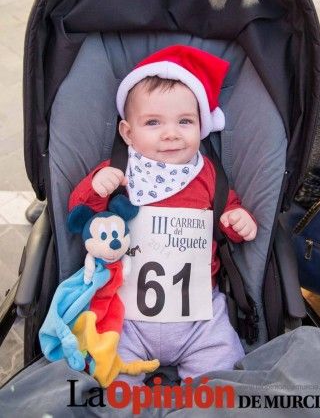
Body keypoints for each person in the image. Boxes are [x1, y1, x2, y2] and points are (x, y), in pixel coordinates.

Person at [69, 45, 257, 386]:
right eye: (153, 122)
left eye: (184, 121)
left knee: (224, 368)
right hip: (125, 314)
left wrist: (237, 220)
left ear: (201, 126)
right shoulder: (118, 171)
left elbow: (225, 210)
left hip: (199, 316)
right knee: (108, 373)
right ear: (128, 133)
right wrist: (96, 189)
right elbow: (81, 217)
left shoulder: (207, 176)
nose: (171, 133)